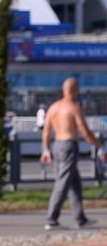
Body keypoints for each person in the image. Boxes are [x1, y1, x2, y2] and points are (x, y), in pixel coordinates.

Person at [41, 77, 102, 230]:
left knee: (75, 184)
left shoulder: (53, 108)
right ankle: (51, 219)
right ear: (73, 91)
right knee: (62, 183)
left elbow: (46, 131)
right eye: (77, 89)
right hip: (69, 145)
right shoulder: (74, 107)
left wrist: (46, 149)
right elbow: (85, 130)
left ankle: (80, 218)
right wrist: (98, 146)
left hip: (57, 145)